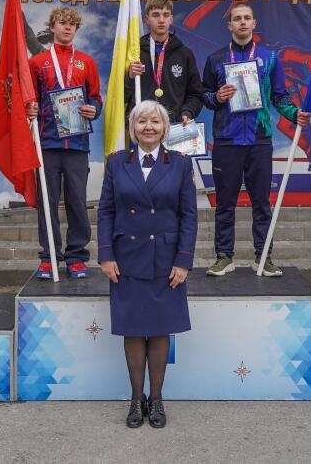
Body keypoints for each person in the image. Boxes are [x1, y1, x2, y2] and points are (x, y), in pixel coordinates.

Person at [98, 100, 197, 429]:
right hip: (126, 259)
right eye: (142, 122)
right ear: (132, 128)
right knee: (133, 329)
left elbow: (188, 217)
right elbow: (106, 211)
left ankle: (156, 399)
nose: (149, 127)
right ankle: (135, 399)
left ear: (165, 128)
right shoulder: (115, 163)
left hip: (166, 260)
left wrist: (183, 261)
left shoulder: (181, 164)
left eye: (155, 121)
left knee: (158, 330)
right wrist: (106, 255)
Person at [202, 3, 310, 277]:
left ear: (254, 23)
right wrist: (217, 97)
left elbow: (280, 97)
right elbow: (203, 94)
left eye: (246, 18)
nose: (241, 22)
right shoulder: (215, 59)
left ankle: (264, 257)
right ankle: (224, 257)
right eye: (236, 19)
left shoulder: (269, 58)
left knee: (261, 202)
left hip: (259, 140)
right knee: (225, 203)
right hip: (226, 140)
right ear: (229, 26)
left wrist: (295, 113)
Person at [27, 7, 101, 279]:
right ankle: (49, 258)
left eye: (72, 24)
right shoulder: (38, 62)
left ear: (76, 29)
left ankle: (77, 257)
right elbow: (30, 98)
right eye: (62, 23)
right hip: (46, 144)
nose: (67, 28)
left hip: (78, 145)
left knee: (77, 202)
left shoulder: (87, 62)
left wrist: (94, 109)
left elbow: (96, 99)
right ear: (52, 27)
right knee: (47, 203)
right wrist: (29, 109)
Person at [126, 0, 203, 125]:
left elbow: (195, 94)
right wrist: (130, 77)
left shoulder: (185, 54)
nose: (161, 20)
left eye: (166, 15)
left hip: (174, 125)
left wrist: (187, 112)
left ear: (171, 19)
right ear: (147, 19)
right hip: (142, 125)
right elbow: (120, 95)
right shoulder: (134, 53)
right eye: (155, 15)